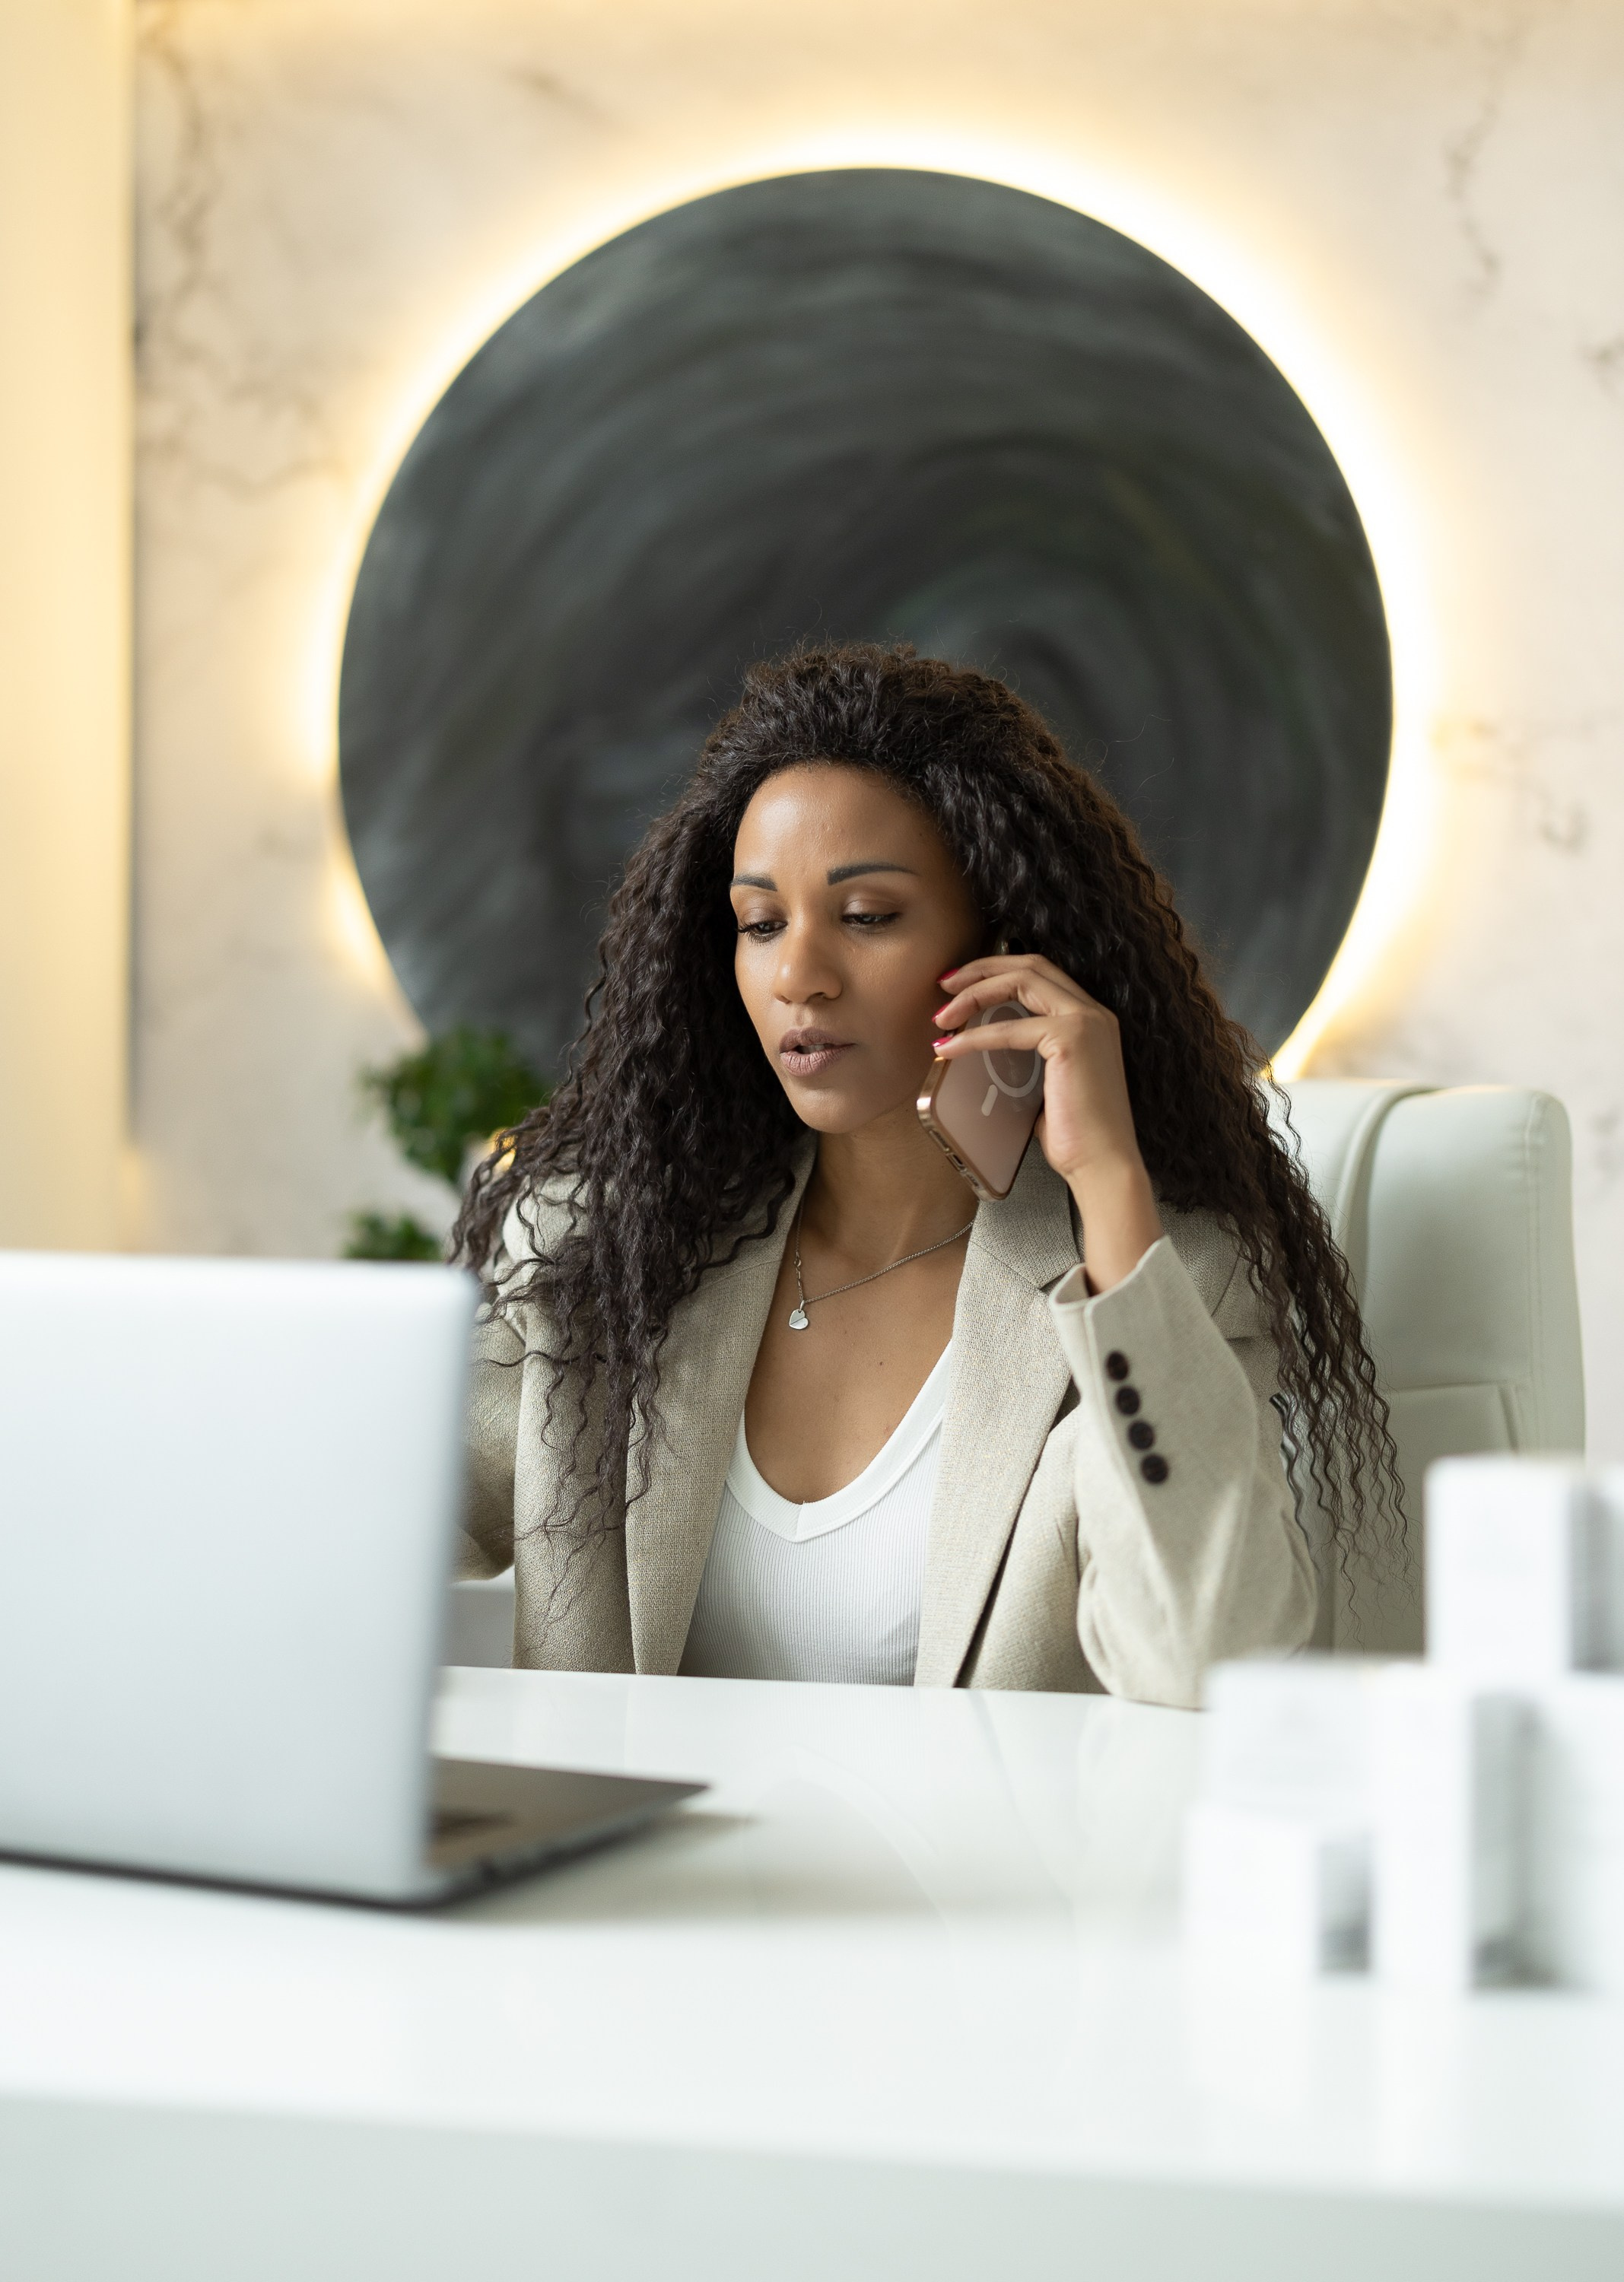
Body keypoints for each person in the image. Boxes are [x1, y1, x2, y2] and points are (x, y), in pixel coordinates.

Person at [453, 644, 1396, 1706]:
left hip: (972, 1874)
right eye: (761, 925)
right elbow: (374, 1526)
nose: (799, 976)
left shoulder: (1157, 1285)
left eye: (867, 918)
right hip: (632, 1875)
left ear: (1000, 947)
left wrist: (1110, 1185)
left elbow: (1211, 1660)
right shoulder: (606, 1249)